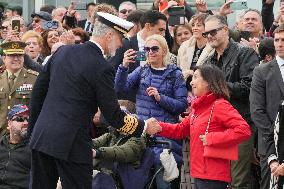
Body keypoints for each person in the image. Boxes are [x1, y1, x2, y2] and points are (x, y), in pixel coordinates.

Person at [28, 12, 157, 189]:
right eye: (120, 38)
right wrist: (143, 127)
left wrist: (33, 131)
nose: (121, 45)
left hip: (42, 137)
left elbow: (37, 95)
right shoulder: (102, 67)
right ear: (109, 35)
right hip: (73, 143)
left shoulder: (63, 52)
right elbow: (112, 115)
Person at [149, 64, 251, 189]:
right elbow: (180, 130)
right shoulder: (198, 109)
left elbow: (244, 130)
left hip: (213, 176)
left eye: (196, 77)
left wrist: (212, 138)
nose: (191, 82)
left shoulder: (219, 105)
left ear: (209, 81)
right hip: (199, 173)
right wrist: (158, 127)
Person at [115, 34, 187, 189]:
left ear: (164, 51)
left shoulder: (175, 74)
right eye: (146, 49)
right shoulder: (142, 70)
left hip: (166, 137)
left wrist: (160, 98)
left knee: (164, 181)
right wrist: (123, 67)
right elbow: (120, 89)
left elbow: (182, 105)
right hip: (143, 135)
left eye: (154, 48)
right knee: (142, 182)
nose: (150, 52)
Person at [202, 15, 259, 189]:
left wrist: (218, 85)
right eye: (206, 33)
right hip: (217, 127)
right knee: (218, 179)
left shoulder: (245, 53)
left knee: (237, 181)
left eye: (213, 31)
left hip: (240, 125)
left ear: (225, 30)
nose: (209, 36)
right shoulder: (209, 61)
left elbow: (249, 88)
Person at [250, 24, 284, 189]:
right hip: (269, 143)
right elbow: (257, 111)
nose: (280, 44)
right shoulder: (261, 71)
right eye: (277, 40)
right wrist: (275, 138)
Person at [111, 10, 167, 102]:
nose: (163, 34)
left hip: (157, 102)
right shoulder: (124, 44)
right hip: (130, 102)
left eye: (164, 31)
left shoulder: (163, 44)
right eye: (160, 30)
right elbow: (112, 71)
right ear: (148, 26)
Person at [0, 41, 38, 135]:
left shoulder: (34, 79)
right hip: (2, 134)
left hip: (25, 134)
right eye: (12, 55)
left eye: (20, 55)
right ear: (4, 58)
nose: (16, 59)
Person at [177, 13, 214, 91]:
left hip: (204, 91)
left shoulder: (213, 48)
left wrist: (192, 72)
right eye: (193, 25)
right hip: (183, 90)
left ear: (207, 27)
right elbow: (178, 68)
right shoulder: (184, 46)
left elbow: (211, 74)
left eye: (199, 25)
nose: (194, 28)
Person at [0, 104, 31, 188]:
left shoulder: (33, 149)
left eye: (28, 119)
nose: (25, 123)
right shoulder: (1, 144)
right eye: (20, 119)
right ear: (9, 123)